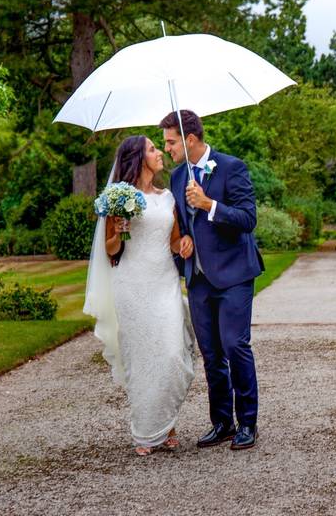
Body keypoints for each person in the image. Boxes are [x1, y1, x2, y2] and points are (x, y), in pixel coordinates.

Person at [83, 135, 195, 456]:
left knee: (173, 354)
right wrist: (117, 231)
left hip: (164, 282)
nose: (159, 152)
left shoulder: (168, 197)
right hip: (131, 283)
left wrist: (184, 244)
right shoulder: (118, 198)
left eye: (158, 147)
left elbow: (174, 241)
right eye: (152, 149)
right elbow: (111, 250)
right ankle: (150, 429)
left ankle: (165, 419)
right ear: (137, 158)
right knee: (142, 356)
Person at [160, 110, 264, 451]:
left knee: (235, 346)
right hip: (199, 278)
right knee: (211, 353)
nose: (167, 149)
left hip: (234, 274)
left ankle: (247, 422)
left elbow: (248, 219)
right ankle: (221, 422)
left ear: (191, 140)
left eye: (171, 142)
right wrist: (182, 244)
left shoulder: (232, 167)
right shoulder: (177, 178)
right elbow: (182, 228)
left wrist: (209, 204)